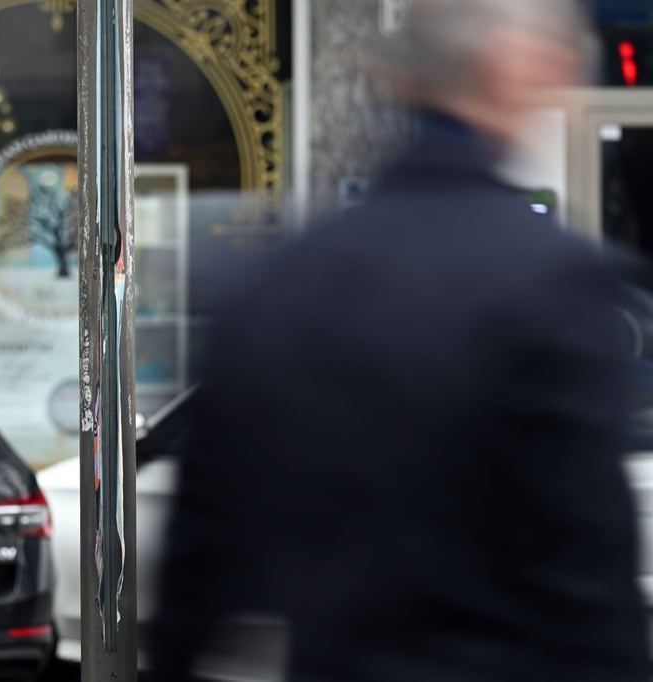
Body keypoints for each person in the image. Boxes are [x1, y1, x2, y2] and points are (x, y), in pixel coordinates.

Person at [149, 1, 652, 680]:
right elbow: (589, 578)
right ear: (507, 68)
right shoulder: (554, 284)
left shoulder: (274, 285)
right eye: (558, 57)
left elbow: (197, 577)